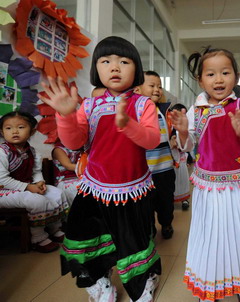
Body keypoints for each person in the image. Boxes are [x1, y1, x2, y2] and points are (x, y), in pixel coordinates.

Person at [39, 36, 162, 302]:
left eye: (123, 61)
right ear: (97, 69)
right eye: (106, 61)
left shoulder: (143, 104)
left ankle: (144, 282)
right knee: (89, 235)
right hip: (94, 187)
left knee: (134, 240)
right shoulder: (89, 105)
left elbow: (151, 141)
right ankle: (99, 280)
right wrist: (66, 116)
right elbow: (74, 142)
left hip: (132, 189)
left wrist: (129, 124)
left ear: (136, 69)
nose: (114, 67)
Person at [168, 47, 240, 302]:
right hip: (208, 188)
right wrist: (185, 132)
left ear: (237, 76)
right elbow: (187, 147)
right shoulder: (195, 110)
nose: (218, 79)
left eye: (225, 72)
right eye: (211, 74)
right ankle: (210, 283)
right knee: (211, 236)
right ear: (201, 80)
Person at [0, 111, 67, 253]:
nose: (15, 131)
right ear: (2, 132)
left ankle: (55, 229)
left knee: (56, 193)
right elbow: (2, 179)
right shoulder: (2, 152)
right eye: (8, 128)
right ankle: (38, 238)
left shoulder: (33, 152)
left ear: (32, 131)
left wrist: (39, 182)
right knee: (36, 200)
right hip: (3, 191)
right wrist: (28, 187)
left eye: (21, 127)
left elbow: (35, 172)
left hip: (26, 187)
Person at [134, 70, 175, 239]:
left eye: (159, 86)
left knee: (166, 202)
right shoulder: (135, 111)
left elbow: (171, 133)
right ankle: (148, 228)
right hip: (144, 172)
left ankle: (166, 224)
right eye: (151, 86)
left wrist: (174, 138)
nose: (157, 89)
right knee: (145, 205)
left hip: (165, 168)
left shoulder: (164, 110)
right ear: (137, 89)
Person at [168, 103, 191, 210]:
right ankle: (171, 199)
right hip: (170, 157)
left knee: (183, 179)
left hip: (181, 158)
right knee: (173, 181)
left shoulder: (186, 124)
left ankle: (184, 199)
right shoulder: (168, 125)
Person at [52, 141, 82, 206]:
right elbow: (68, 166)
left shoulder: (83, 148)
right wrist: (90, 167)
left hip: (81, 178)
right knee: (80, 189)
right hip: (65, 181)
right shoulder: (58, 150)